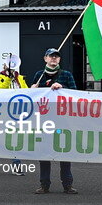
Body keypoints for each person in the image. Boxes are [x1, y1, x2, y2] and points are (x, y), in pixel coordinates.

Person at [30, 48, 78, 194]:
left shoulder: (66, 75)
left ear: (59, 59)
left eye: (56, 57)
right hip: (44, 122)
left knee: (64, 153)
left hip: (63, 121)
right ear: (45, 58)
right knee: (44, 153)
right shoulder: (39, 75)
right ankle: (44, 185)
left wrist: (62, 88)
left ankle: (67, 185)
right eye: (51, 56)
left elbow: (75, 94)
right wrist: (31, 90)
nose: (54, 59)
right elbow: (32, 98)